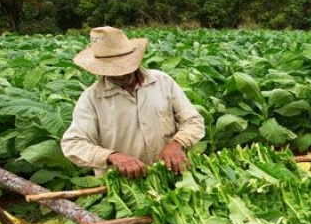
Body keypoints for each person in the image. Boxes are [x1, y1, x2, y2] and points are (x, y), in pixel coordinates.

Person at [61, 26, 205, 179]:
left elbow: (193, 120)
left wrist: (176, 143)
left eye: (122, 67)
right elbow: (73, 144)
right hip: (124, 186)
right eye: (110, 70)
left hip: (171, 175)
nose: (118, 75)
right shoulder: (91, 98)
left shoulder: (162, 82)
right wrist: (113, 156)